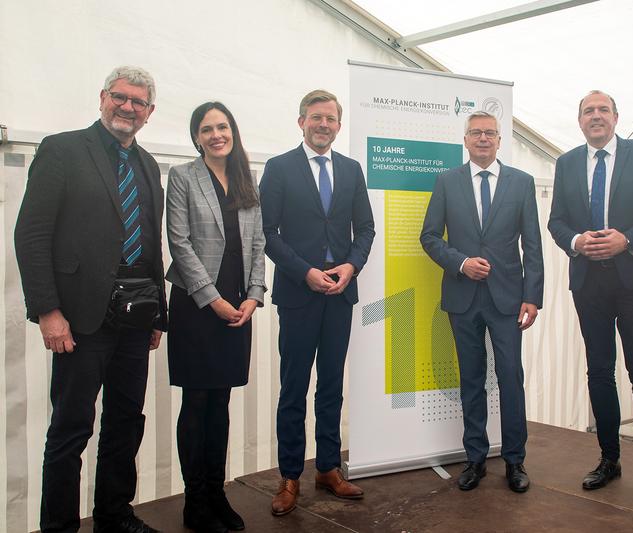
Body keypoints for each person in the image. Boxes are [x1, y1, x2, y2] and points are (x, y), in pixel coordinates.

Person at [14, 66, 166, 533]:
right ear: (102, 97)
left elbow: (150, 244)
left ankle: (114, 515)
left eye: (138, 102)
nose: (128, 108)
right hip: (79, 319)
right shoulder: (62, 149)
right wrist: (47, 311)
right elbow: (32, 233)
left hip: (135, 320)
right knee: (70, 430)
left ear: (149, 112)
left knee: (125, 424)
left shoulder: (146, 164)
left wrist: (158, 312)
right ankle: (59, 527)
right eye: (120, 97)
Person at [547, 91, 633, 501]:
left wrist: (628, 240)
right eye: (588, 111)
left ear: (617, 117)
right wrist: (576, 240)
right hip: (589, 283)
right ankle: (608, 459)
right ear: (579, 121)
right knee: (599, 371)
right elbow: (557, 221)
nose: (596, 116)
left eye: (603, 110)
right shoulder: (566, 163)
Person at [259, 89, 375, 516]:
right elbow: (267, 232)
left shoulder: (350, 169)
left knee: (330, 386)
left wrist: (351, 267)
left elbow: (364, 229)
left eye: (330, 118)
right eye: (315, 117)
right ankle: (289, 476)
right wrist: (304, 271)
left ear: (338, 125)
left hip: (340, 294)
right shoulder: (279, 168)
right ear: (301, 121)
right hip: (298, 293)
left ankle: (328, 468)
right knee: (293, 388)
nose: (323, 124)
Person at [420, 110, 543, 493]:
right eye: (476, 133)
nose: (484, 139)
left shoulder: (521, 183)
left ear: (500, 140)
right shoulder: (446, 182)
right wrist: (461, 263)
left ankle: (515, 461)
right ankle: (474, 459)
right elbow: (429, 237)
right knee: (471, 379)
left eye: (490, 133)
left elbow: (533, 245)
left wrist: (532, 297)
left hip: (508, 300)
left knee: (511, 378)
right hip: (463, 298)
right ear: (466, 139)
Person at [165, 102, 266, 533]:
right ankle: (195, 501)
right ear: (196, 136)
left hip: (238, 306)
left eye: (222, 126)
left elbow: (258, 243)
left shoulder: (247, 178)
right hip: (196, 306)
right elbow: (179, 244)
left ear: (233, 131)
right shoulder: (183, 177)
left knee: (221, 401)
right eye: (206, 129)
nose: (216, 134)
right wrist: (213, 299)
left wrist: (255, 296)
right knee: (197, 401)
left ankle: (216, 493)